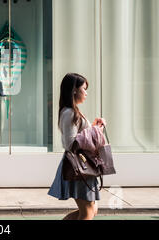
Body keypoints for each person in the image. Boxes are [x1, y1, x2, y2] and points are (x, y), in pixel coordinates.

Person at [48, 73, 106, 220]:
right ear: (74, 90)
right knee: (87, 212)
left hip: (82, 166)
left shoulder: (72, 112)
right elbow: (69, 143)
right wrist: (94, 131)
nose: (86, 93)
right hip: (78, 167)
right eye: (84, 89)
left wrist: (94, 128)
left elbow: (79, 137)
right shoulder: (69, 113)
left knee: (91, 210)